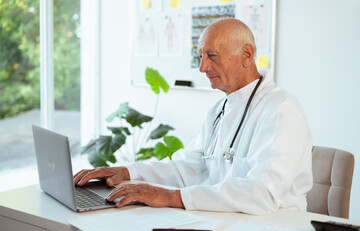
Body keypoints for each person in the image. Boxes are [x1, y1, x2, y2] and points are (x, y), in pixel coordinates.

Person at [74, 18, 313, 215]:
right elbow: (184, 169)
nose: (203, 67)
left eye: (212, 56)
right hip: (224, 220)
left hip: (274, 226)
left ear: (247, 55)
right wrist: (128, 173)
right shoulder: (219, 111)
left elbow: (263, 193)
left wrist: (170, 196)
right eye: (201, 56)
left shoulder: (281, 109)